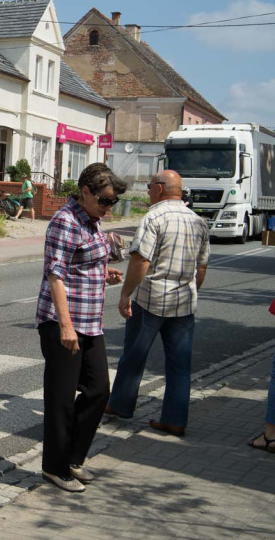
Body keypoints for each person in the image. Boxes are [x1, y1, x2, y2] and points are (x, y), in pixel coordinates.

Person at [36, 162, 126, 492]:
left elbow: (82, 264)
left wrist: (103, 274)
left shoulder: (92, 220)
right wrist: (65, 326)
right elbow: (55, 275)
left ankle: (73, 457)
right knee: (61, 397)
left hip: (90, 321)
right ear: (85, 191)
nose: (108, 207)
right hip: (63, 321)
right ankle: (54, 467)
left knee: (99, 390)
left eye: (113, 201)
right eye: (104, 200)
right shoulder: (65, 221)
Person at [107, 170, 210, 438]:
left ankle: (120, 405)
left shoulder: (153, 218)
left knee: (134, 355)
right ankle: (174, 420)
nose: (149, 191)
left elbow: (141, 260)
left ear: (160, 188)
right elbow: (201, 267)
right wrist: (191, 290)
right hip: (184, 303)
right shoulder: (198, 221)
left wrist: (126, 293)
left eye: (150, 186)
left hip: (150, 299)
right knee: (179, 364)